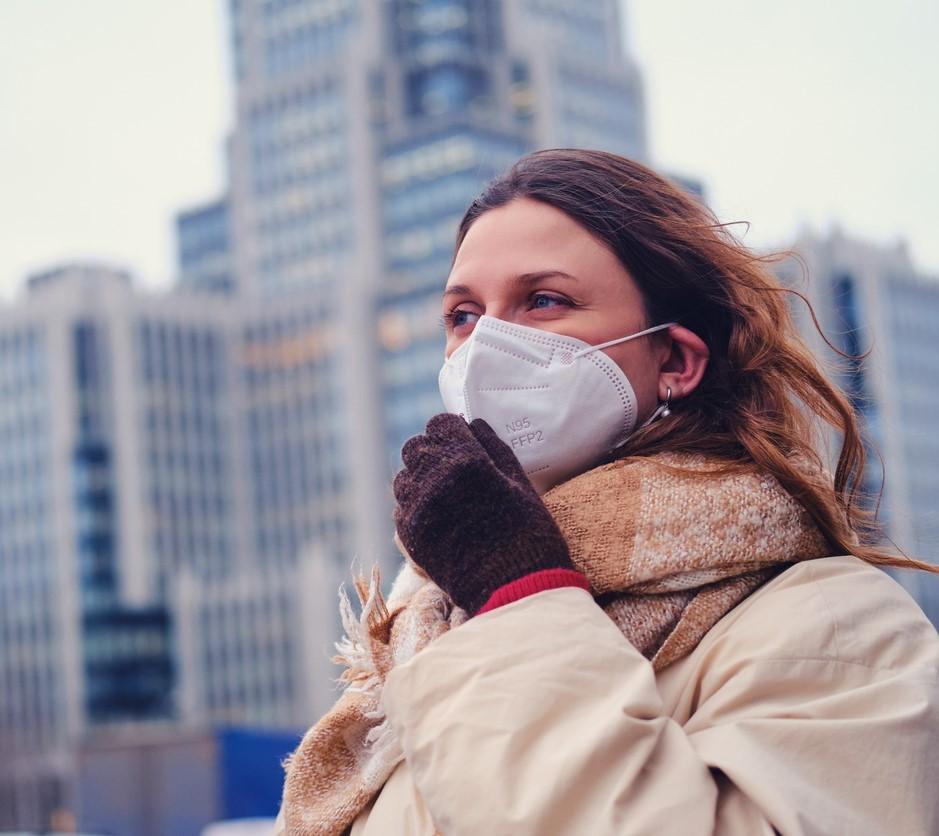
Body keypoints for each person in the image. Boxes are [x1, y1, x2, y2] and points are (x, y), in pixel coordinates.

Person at [277, 150, 939, 835]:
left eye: (543, 300)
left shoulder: (837, 628)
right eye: (464, 316)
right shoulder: (428, 616)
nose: (487, 345)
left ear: (675, 361)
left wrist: (520, 598)